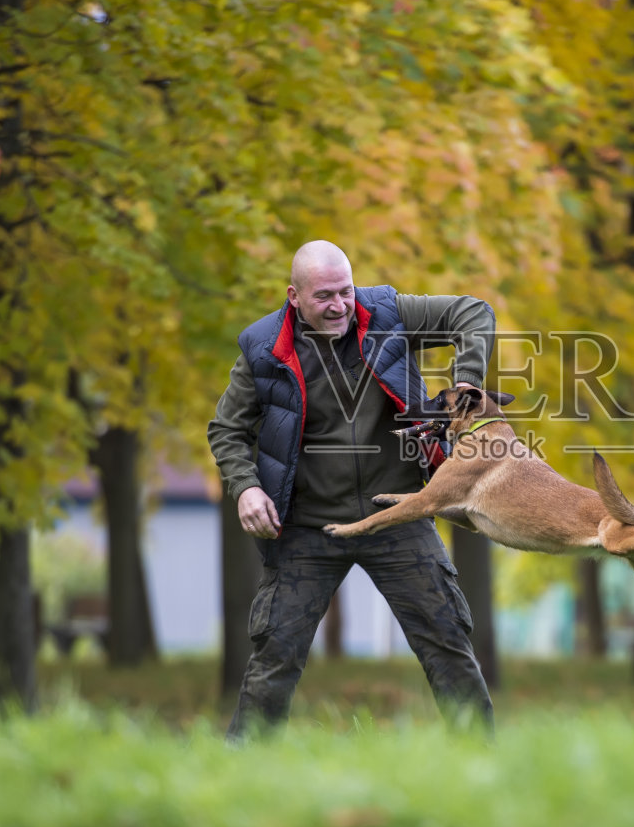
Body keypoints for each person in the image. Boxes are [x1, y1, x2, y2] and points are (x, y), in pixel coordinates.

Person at [207, 240, 495, 739]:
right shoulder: (262, 349)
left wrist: (466, 383)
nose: (340, 305)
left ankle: (482, 757)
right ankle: (244, 763)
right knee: (276, 652)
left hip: (397, 514)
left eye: (345, 290)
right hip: (306, 527)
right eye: (324, 296)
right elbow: (226, 430)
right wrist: (246, 488)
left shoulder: (388, 313)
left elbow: (474, 312)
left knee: (447, 637)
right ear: (294, 296)